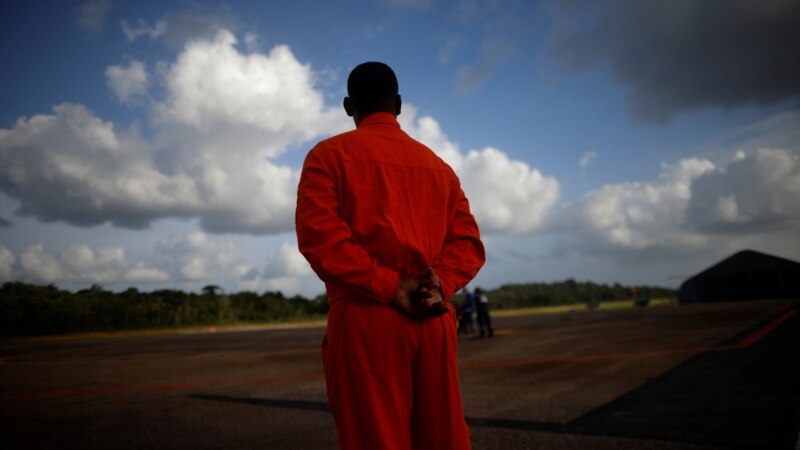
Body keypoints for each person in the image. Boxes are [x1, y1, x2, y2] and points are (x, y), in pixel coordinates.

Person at [295, 62, 485, 450]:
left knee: (377, 438)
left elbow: (321, 238)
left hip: (368, 317)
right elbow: (468, 242)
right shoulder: (439, 167)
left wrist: (388, 286)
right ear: (398, 104)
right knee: (443, 437)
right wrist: (440, 284)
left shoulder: (328, 156)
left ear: (348, 107)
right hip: (432, 315)